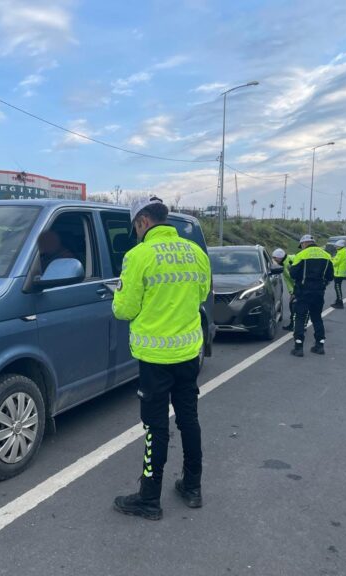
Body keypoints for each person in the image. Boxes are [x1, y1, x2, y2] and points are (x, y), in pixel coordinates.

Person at [111, 196, 211, 521]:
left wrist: (122, 296)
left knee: (156, 427)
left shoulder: (137, 256)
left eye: (135, 227)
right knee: (189, 419)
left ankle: (149, 498)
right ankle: (192, 487)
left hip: (154, 358)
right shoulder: (195, 253)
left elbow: (124, 310)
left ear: (142, 222)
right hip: (187, 354)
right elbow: (201, 294)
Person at [289, 234, 334, 357]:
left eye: (301, 246)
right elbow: (330, 276)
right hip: (318, 293)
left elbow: (293, 274)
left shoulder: (301, 255)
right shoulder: (326, 255)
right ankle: (320, 345)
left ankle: (298, 347)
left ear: (304, 244)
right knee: (317, 318)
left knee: (300, 318)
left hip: (303, 292)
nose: (301, 248)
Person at [271, 248, 296, 331]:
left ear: (279, 257)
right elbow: (288, 280)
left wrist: (296, 291)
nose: (273, 260)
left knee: (296, 306)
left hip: (302, 287)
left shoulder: (291, 262)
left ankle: (297, 325)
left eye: (275, 258)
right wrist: (291, 291)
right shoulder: (283, 264)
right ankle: (294, 324)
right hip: (296, 288)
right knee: (292, 305)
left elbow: (296, 277)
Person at [331, 239, 346, 309]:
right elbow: (337, 259)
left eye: (337, 246)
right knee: (337, 287)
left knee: (337, 288)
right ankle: (338, 301)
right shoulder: (344, 251)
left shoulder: (341, 253)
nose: (336, 247)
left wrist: (330, 260)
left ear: (340, 246)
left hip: (339, 273)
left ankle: (340, 303)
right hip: (340, 273)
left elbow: (335, 263)